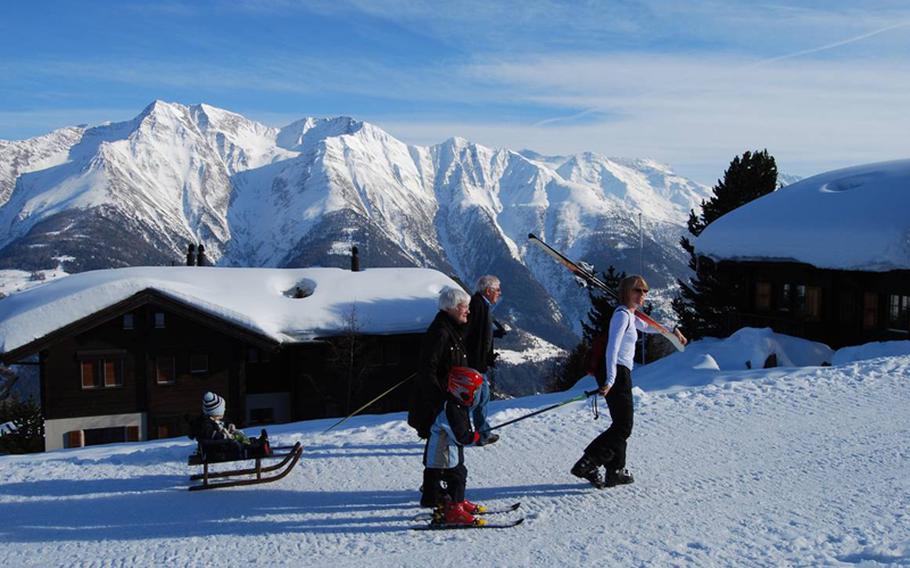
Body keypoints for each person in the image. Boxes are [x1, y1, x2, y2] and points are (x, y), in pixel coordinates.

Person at [571, 275, 687, 488]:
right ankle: (588, 462)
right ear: (626, 292)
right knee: (624, 427)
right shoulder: (622, 316)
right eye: (637, 290)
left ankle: (615, 470)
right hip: (617, 371)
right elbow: (612, 348)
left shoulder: (631, 316)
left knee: (620, 424)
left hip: (619, 371)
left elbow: (650, 326)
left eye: (645, 291)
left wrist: (673, 329)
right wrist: (610, 379)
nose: (642, 295)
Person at [407, 286, 471, 507]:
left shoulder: (452, 329)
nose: (467, 312)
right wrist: (441, 402)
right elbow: (428, 369)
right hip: (440, 406)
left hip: (450, 402)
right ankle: (446, 500)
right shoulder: (441, 332)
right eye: (464, 307)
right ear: (452, 308)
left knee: (446, 453)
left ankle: (445, 497)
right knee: (446, 453)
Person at [424, 366, 486, 525]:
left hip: (449, 451)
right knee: (456, 477)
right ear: (462, 389)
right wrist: (476, 437)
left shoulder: (456, 404)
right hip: (441, 456)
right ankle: (453, 510)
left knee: (460, 473)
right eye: (474, 390)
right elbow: (461, 436)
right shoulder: (450, 408)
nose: (475, 394)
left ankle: (457, 501)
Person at [464, 275, 504, 446]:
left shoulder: (482, 305)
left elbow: (480, 334)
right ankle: (461, 432)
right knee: (474, 401)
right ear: (488, 291)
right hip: (474, 364)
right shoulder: (477, 306)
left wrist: (493, 335)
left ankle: (483, 433)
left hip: (480, 363)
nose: (499, 294)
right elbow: (469, 334)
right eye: (497, 290)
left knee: (482, 399)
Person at [190, 392, 270, 460]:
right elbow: (211, 434)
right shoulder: (205, 424)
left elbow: (225, 422)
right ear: (215, 412)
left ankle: (259, 441)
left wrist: (230, 426)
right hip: (218, 449)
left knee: (241, 438)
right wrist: (225, 436)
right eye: (222, 410)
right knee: (241, 444)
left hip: (223, 444)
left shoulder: (214, 419)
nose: (224, 411)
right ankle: (261, 449)